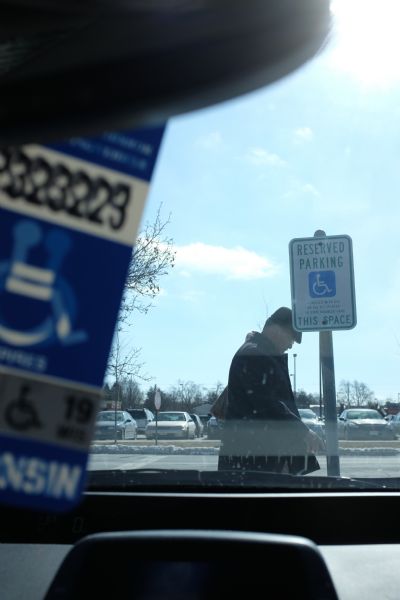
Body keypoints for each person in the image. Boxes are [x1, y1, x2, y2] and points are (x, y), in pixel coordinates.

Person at [218, 306, 320, 475]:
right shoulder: (255, 355)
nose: (290, 345)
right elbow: (267, 405)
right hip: (255, 460)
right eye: (291, 338)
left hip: (256, 458)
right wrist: (303, 432)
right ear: (276, 330)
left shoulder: (257, 353)